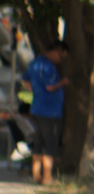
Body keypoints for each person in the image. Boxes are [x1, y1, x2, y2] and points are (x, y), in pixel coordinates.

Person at [21, 40, 70, 185]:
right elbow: (50, 87)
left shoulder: (34, 63)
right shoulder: (48, 67)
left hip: (36, 108)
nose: (60, 60)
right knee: (50, 143)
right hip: (50, 111)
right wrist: (64, 82)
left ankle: (36, 174)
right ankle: (47, 177)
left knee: (39, 142)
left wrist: (36, 92)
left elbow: (25, 80)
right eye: (61, 57)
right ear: (56, 51)